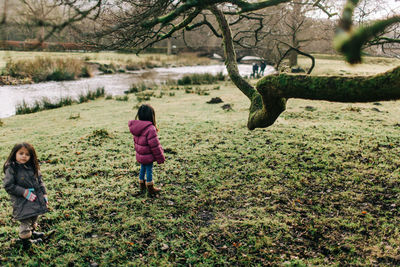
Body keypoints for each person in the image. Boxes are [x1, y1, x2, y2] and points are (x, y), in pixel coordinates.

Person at [3, 142, 49, 248]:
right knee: (25, 220)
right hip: (22, 201)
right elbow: (8, 185)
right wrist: (24, 192)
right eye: (21, 153)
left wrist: (44, 194)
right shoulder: (12, 168)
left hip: (35, 198)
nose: (24, 156)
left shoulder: (32, 166)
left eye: (27, 154)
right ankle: (26, 241)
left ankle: (32, 233)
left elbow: (40, 181)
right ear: (15, 154)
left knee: (34, 217)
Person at [128, 104, 165, 197]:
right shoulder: (150, 129)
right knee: (149, 170)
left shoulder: (136, 127)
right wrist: (160, 157)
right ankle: (150, 187)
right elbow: (155, 146)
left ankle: (142, 185)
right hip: (148, 155)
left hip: (141, 154)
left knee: (142, 168)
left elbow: (136, 142)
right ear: (151, 116)